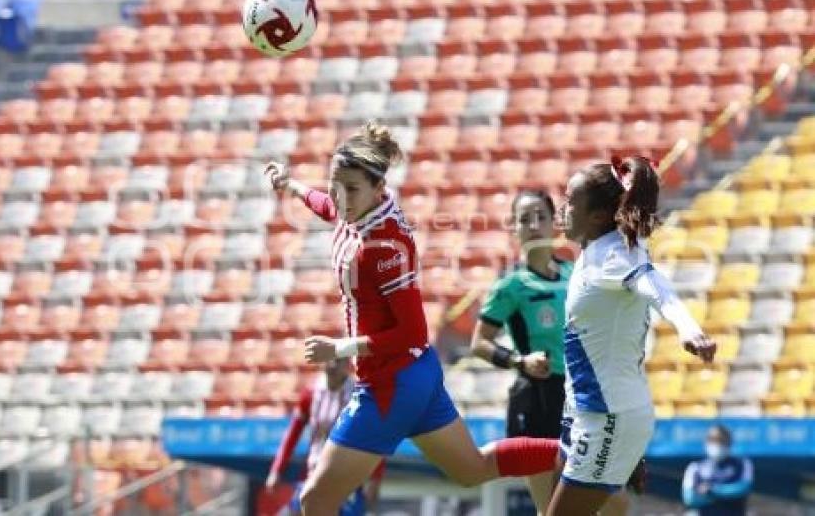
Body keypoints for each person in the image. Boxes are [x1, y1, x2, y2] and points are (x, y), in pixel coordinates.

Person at [264, 121, 561, 515]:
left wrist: (341, 347)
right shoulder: (356, 208)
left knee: (315, 499)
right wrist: (291, 186)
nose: (341, 197)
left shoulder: (384, 245)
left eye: (350, 188)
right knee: (473, 469)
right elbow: (327, 205)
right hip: (413, 376)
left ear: (377, 187)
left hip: (391, 382)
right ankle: (581, 454)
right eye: (337, 185)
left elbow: (412, 331)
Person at [547, 156, 718, 516]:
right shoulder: (598, 249)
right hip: (587, 410)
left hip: (607, 417)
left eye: (570, 201)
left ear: (596, 217)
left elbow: (656, 286)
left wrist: (690, 329)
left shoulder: (614, 255)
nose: (562, 208)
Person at [470, 190, 636, 516]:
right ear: (514, 228)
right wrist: (519, 361)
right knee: (549, 508)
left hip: (579, 398)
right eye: (524, 219)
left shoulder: (574, 274)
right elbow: (479, 343)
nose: (533, 224)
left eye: (540, 216)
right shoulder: (511, 285)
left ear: (554, 223)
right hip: (537, 400)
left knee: (615, 503)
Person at [265, 358, 382, 515]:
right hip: (315, 472)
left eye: (338, 361)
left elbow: (374, 436)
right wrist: (276, 470)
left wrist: (375, 477)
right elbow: (292, 434)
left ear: (348, 365)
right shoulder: (311, 394)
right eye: (329, 360)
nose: (333, 365)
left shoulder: (360, 395)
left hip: (347, 478)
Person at [682, 424, 753, 516]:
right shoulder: (695, 467)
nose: (717, 444)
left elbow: (743, 488)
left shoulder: (742, 464)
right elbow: (689, 498)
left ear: (729, 442)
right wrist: (717, 496)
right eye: (712, 440)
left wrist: (712, 490)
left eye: (721, 440)